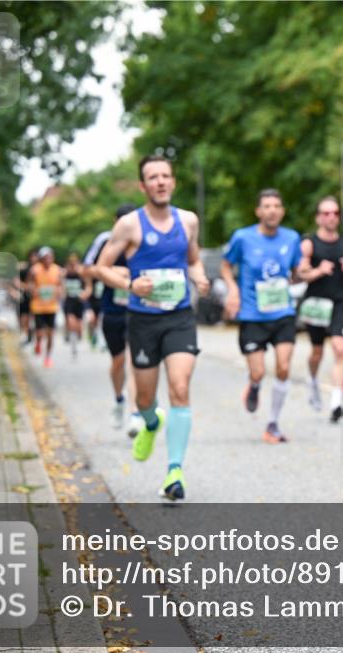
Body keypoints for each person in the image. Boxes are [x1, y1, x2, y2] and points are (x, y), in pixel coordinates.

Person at [95, 156, 210, 501]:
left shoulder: (188, 221)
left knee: (179, 386)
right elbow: (102, 268)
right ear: (143, 186)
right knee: (145, 397)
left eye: (165, 176)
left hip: (179, 318)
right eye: (152, 177)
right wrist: (130, 283)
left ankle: (174, 471)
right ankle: (150, 420)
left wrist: (199, 276)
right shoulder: (129, 225)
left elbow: (193, 258)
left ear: (173, 182)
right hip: (142, 320)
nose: (160, 182)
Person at [221, 189, 303, 444]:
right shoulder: (243, 238)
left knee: (283, 366)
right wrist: (233, 290)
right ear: (258, 211)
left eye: (276, 206)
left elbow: (296, 271)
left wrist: (306, 273)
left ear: (282, 211)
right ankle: (254, 385)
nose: (272, 210)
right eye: (266, 206)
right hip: (252, 315)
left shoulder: (292, 238)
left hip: (283, 313)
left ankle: (273, 424)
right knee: (258, 372)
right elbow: (225, 265)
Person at [295, 196, 343, 423]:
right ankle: (312, 381)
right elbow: (301, 274)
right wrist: (318, 271)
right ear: (318, 217)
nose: (331, 217)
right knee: (317, 352)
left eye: (335, 213)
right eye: (326, 213)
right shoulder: (309, 243)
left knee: (340, 349)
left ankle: (336, 402)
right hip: (316, 304)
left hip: (339, 303)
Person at [86, 204, 142, 432]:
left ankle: (134, 413)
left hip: (137, 310)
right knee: (118, 363)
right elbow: (86, 268)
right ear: (115, 222)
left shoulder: (142, 240)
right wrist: (113, 273)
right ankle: (119, 400)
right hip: (111, 310)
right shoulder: (105, 241)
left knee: (133, 362)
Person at [27, 246, 63, 368]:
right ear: (41, 259)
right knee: (40, 333)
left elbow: (61, 286)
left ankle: (47, 357)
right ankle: (38, 343)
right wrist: (34, 291)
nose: (48, 260)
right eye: (45, 258)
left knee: (51, 334)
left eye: (50, 257)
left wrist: (59, 291)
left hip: (52, 307)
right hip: (38, 306)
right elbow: (29, 284)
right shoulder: (34, 270)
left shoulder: (57, 270)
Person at [62, 252, 90, 359]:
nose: (73, 265)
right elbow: (60, 285)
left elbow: (88, 287)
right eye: (71, 263)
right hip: (69, 302)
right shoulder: (65, 273)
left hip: (79, 302)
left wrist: (85, 294)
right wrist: (62, 292)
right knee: (71, 322)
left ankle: (76, 336)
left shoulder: (81, 273)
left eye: (75, 262)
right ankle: (72, 345)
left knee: (78, 327)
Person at [14, 248, 38, 345]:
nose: (34, 258)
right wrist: (25, 287)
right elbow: (16, 281)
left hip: (37, 297)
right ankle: (26, 334)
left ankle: (32, 335)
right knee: (24, 317)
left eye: (36, 256)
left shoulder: (40, 269)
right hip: (25, 296)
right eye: (32, 256)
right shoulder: (24, 268)